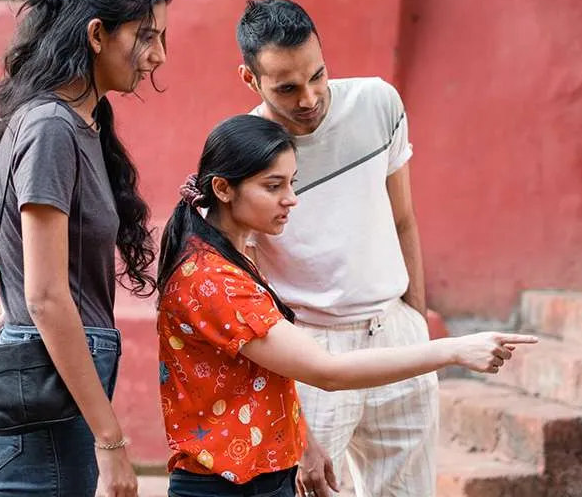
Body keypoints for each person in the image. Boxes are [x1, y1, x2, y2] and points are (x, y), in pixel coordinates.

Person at [156, 114, 537, 497]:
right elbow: (329, 372)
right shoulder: (210, 279)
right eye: (273, 186)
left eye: (292, 183)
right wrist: (453, 349)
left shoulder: (229, 258)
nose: (290, 199)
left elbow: (267, 370)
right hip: (225, 485)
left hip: (258, 476)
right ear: (223, 189)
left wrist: (303, 442)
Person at [0, 0, 171, 497]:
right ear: (97, 34)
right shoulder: (53, 127)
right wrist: (112, 441)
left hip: (53, 383)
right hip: (51, 403)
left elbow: (42, 274)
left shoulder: (72, 122)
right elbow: (49, 296)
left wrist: (13, 312)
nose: (158, 56)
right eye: (146, 36)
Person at [234, 0, 439, 497]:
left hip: (396, 335)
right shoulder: (241, 154)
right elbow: (245, 284)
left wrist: (415, 322)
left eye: (317, 75)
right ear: (250, 79)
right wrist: (296, 427)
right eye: (287, 87)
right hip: (307, 351)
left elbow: (403, 217)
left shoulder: (378, 103)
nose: (309, 98)